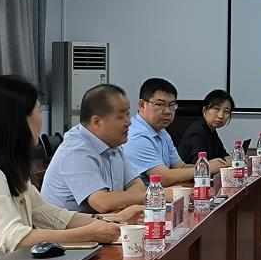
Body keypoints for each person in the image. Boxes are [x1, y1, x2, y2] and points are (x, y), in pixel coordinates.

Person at [0, 76, 141, 256]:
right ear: (18, 120)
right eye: (38, 112)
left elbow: (52, 216)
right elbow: (16, 239)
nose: (40, 120)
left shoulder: (8, 166)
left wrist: (114, 220)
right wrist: (90, 233)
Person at [41, 83, 169, 213]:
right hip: (73, 226)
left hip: (105, 221)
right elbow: (102, 203)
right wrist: (158, 194)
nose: (129, 122)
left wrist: (124, 201)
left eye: (128, 114)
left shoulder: (113, 143)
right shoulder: (76, 151)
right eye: (121, 116)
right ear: (96, 122)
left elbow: (136, 185)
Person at [124, 77, 226, 185]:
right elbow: (164, 178)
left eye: (172, 105)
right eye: (160, 104)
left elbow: (181, 166)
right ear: (142, 105)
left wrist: (213, 166)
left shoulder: (161, 131)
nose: (168, 111)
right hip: (148, 195)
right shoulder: (137, 136)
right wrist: (206, 168)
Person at [178, 89, 235, 164]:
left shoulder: (211, 130)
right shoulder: (197, 132)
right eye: (216, 109)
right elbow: (200, 163)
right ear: (204, 110)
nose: (221, 116)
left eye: (226, 111)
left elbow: (223, 155)